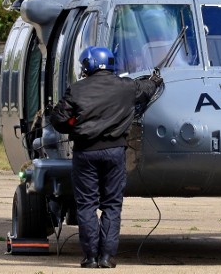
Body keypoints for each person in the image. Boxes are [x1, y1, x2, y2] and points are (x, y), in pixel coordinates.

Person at [51, 46, 162, 268]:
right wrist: (155, 79)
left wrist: (75, 124)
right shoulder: (127, 87)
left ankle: (90, 257)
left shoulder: (76, 90)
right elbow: (148, 89)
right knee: (112, 204)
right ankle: (107, 257)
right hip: (114, 152)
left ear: (87, 66)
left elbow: (58, 119)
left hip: (85, 152)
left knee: (86, 205)